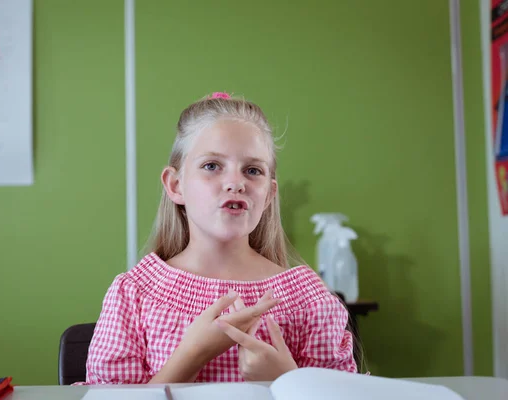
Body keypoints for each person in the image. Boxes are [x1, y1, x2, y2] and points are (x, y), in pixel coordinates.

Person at [81, 92, 358, 385]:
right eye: (212, 166)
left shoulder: (308, 298)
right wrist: (193, 353)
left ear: (268, 196)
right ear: (175, 185)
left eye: (252, 171)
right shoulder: (134, 294)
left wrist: (287, 380)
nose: (236, 183)